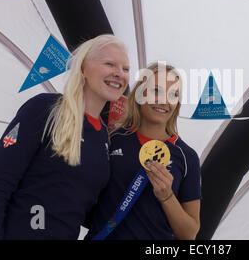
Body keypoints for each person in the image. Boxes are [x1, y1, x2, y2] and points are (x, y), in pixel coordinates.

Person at [0, 34, 130, 239]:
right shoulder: (44, 109)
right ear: (83, 68)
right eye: (110, 64)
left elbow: (81, 210)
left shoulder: (103, 138)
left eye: (125, 69)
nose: (119, 74)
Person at [85, 62, 201, 240]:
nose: (164, 100)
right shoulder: (112, 139)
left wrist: (167, 196)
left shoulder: (187, 157)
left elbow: (189, 234)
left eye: (173, 95)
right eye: (157, 91)